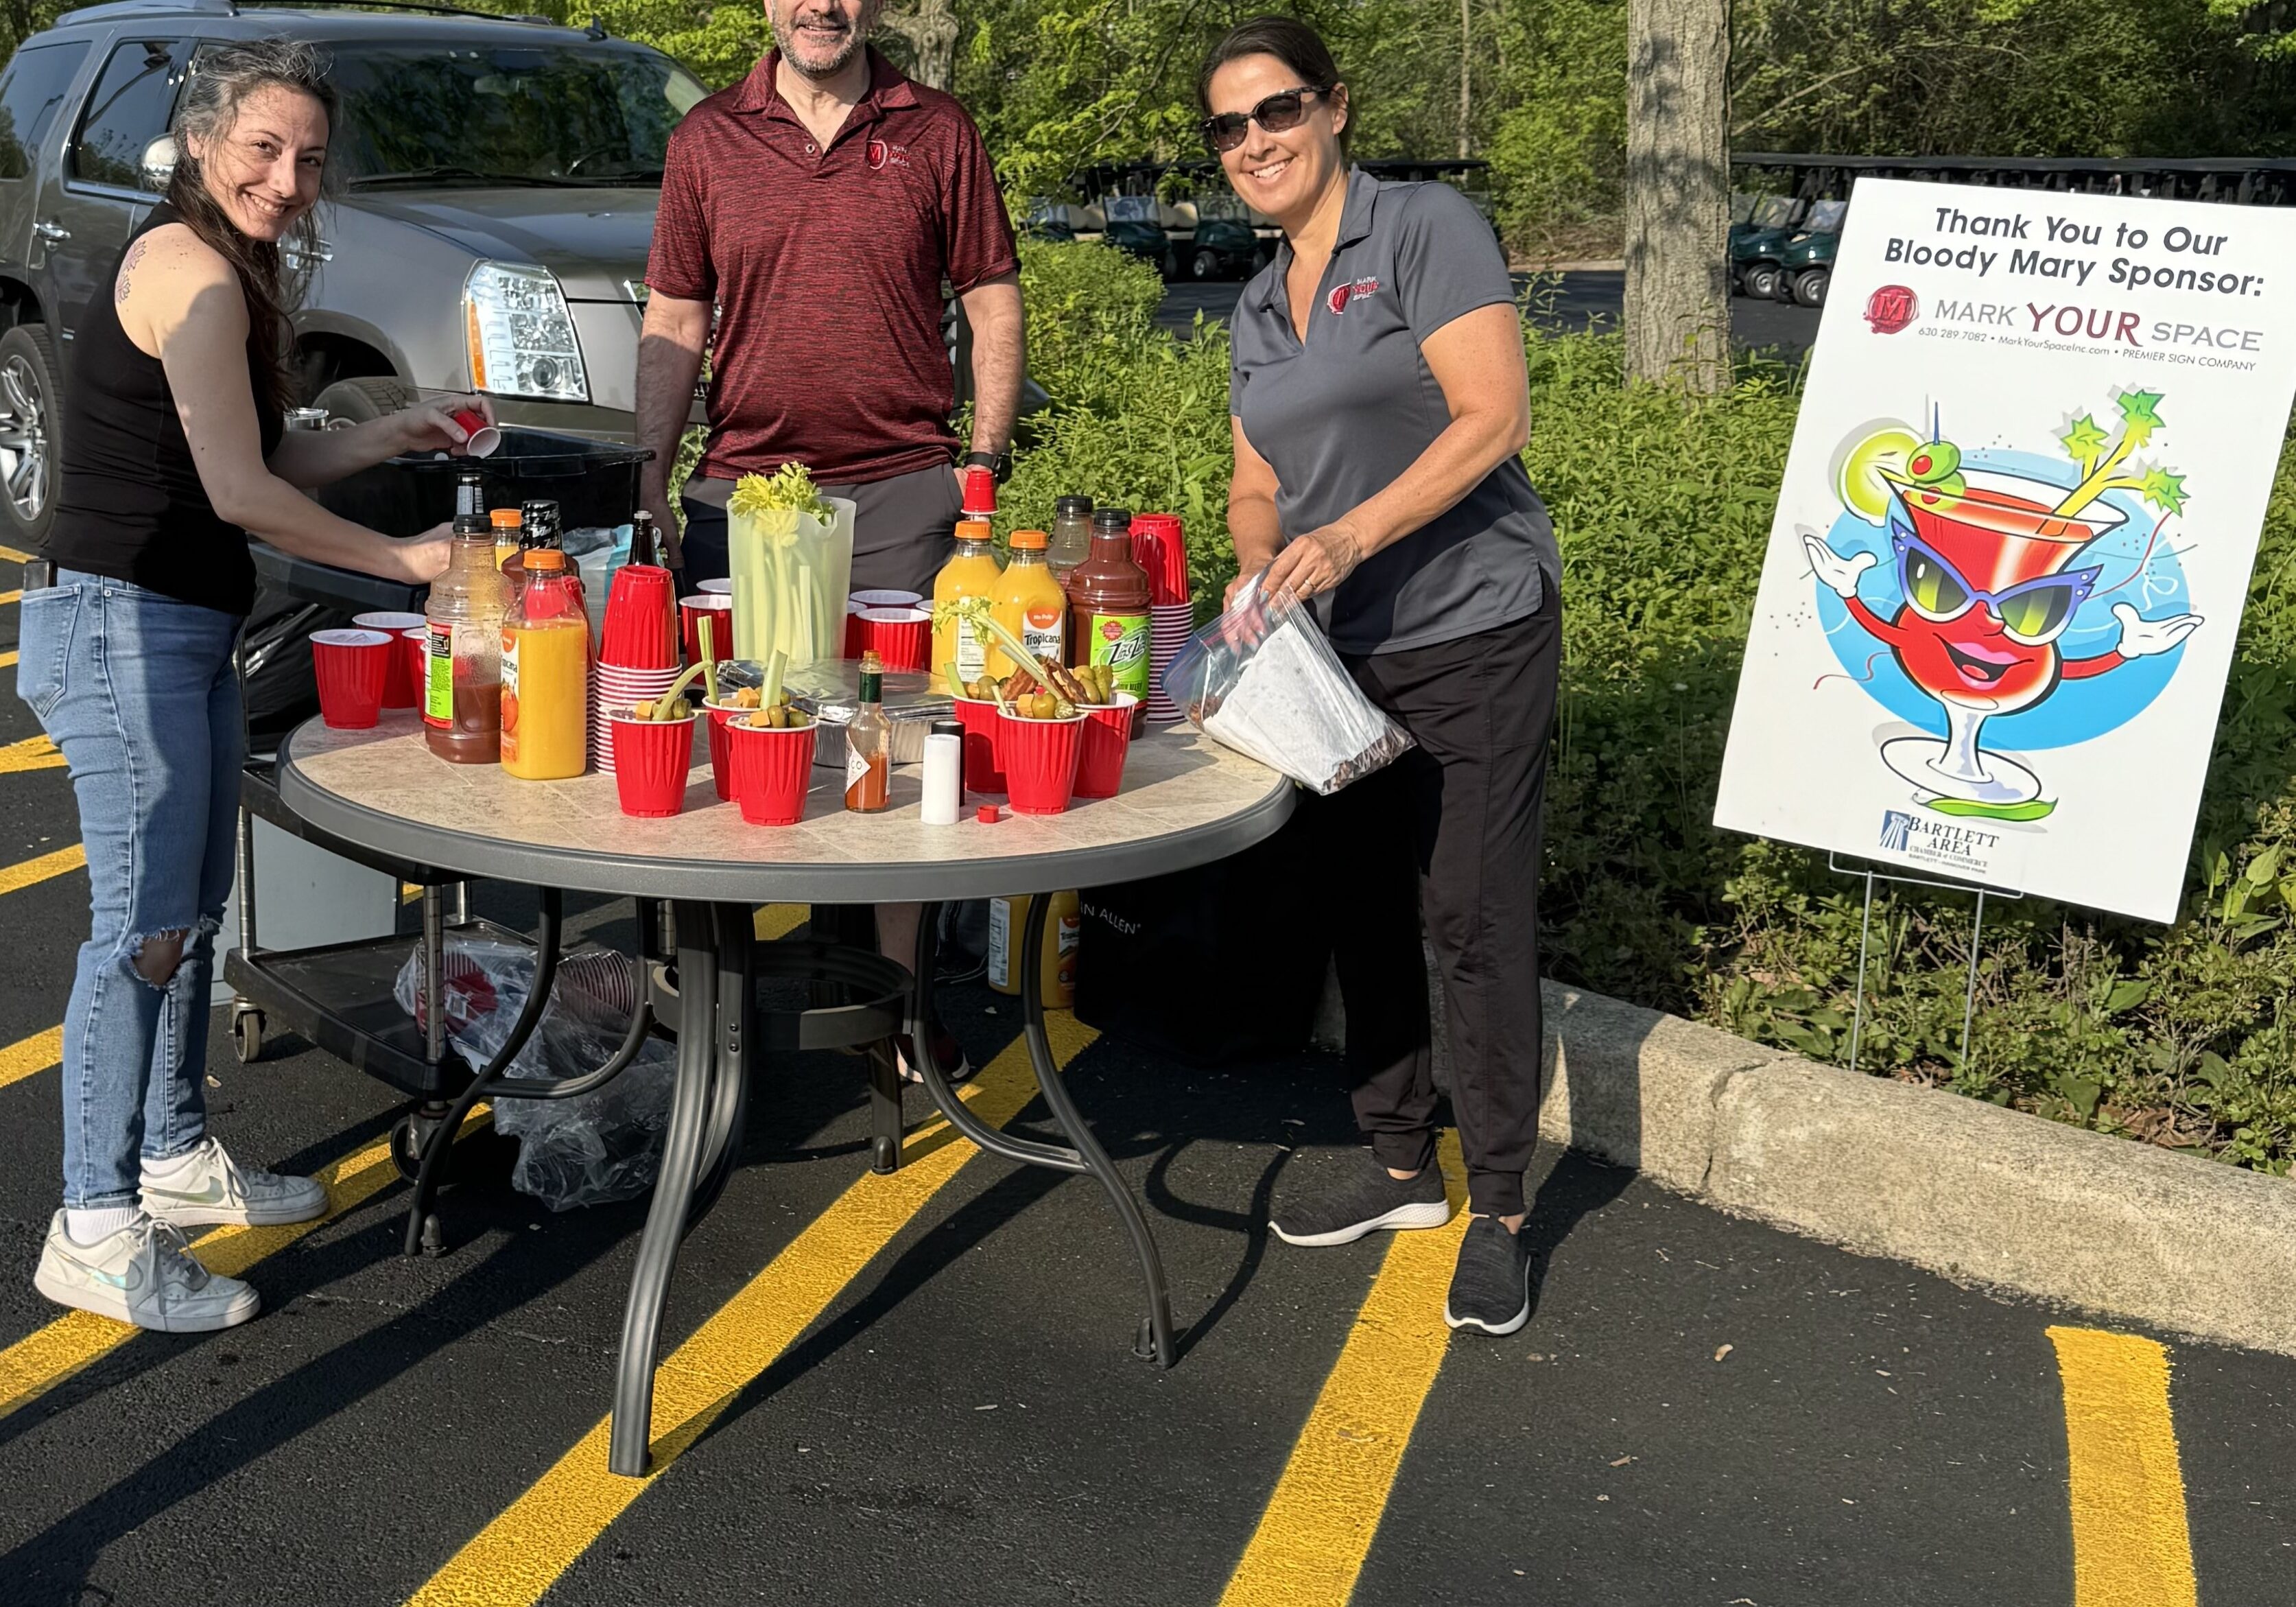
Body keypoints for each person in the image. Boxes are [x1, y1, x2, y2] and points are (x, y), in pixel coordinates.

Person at [16, 38, 479, 1333]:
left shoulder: (229, 267)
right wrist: (406, 560)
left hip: (175, 626)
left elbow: (255, 448)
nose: (289, 178)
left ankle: (169, 1156)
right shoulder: (194, 274)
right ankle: (95, 1227)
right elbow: (239, 495)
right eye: (266, 148)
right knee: (141, 927)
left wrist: (387, 427)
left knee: (192, 913)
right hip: (121, 625)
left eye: (312, 158)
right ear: (205, 141)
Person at [1206, 17, 1563, 1335]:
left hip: (1474, 625)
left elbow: (1494, 417)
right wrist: (1262, 570)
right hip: (1337, 663)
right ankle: (1403, 1164)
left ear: (1335, 108)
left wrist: (1349, 534)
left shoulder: (1424, 229)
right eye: (1231, 128)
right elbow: (1257, 487)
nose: (1257, 141)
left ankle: (1508, 1205)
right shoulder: (1251, 307)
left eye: (1278, 111)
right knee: (1360, 906)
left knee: (1468, 915)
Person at [635, 0, 1023, 1076]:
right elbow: (674, 317)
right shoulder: (706, 139)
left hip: (904, 487)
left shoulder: (936, 129)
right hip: (743, 498)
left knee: (891, 747)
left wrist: (980, 459)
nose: (822, 4)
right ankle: (726, 1018)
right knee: (745, 741)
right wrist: (650, 477)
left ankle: (898, 1009)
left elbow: (991, 296)